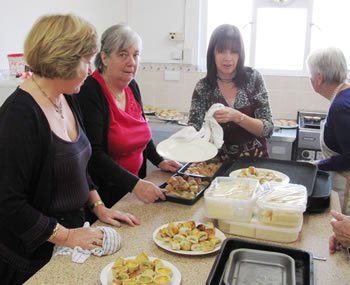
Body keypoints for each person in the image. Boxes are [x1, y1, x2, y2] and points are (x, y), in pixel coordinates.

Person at [0, 14, 139, 285]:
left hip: (70, 240)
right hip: (31, 260)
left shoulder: (67, 98)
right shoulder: (18, 116)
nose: (90, 70)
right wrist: (66, 236)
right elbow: (8, 202)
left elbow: (80, 164)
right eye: (86, 62)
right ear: (62, 59)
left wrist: (97, 205)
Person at [76, 24, 181, 211]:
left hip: (133, 187)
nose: (132, 62)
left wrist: (159, 160)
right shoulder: (90, 91)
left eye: (136, 55)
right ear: (104, 58)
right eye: (123, 54)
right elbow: (94, 154)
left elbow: (140, 131)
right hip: (104, 196)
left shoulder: (132, 86)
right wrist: (135, 185)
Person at [188, 24, 274, 161]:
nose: (228, 58)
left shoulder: (253, 78)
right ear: (212, 53)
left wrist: (237, 116)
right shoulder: (203, 87)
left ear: (240, 54)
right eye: (221, 51)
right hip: (217, 166)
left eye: (234, 51)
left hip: (255, 165)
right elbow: (194, 129)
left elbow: (267, 129)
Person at [306, 47, 350, 215]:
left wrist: (319, 164)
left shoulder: (341, 107)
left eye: (310, 74)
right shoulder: (344, 96)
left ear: (319, 78)